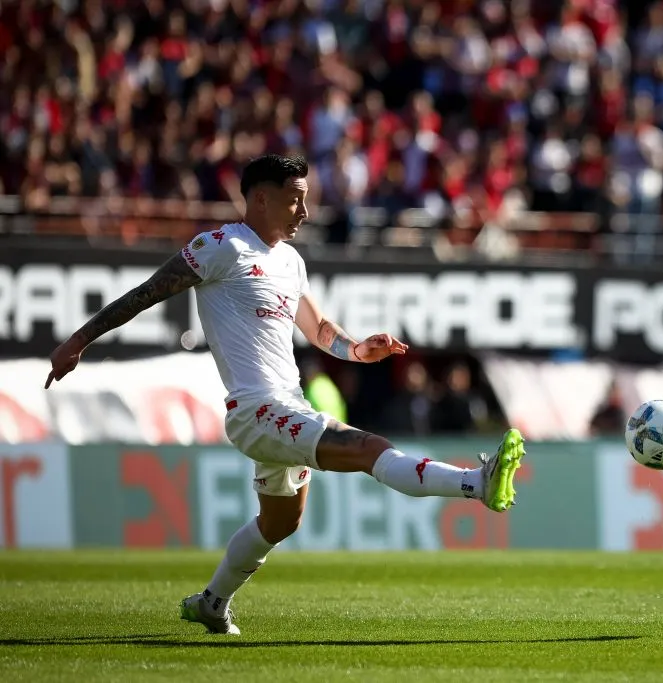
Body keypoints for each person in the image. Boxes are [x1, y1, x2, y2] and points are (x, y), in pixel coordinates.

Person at [45, 154, 526, 634]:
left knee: (280, 523)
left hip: (288, 406)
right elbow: (146, 293)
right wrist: (78, 341)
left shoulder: (291, 261)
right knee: (368, 448)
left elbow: (318, 329)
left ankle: (212, 602)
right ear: (260, 198)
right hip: (256, 409)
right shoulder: (221, 247)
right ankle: (476, 483)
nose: (305, 212)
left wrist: (359, 350)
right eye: (295, 200)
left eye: (306, 200)